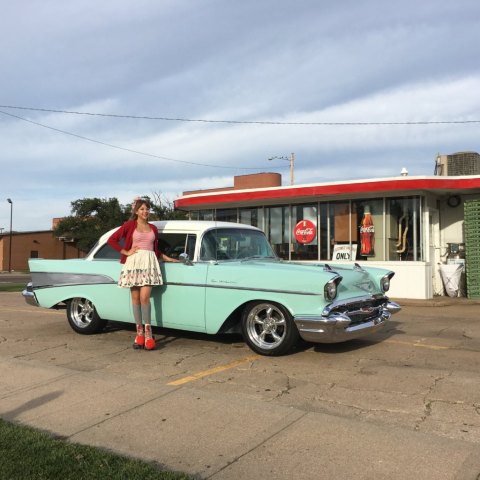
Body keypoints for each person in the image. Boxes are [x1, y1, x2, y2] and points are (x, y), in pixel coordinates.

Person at [107, 197, 178, 350]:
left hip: (149, 263)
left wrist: (166, 257)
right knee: (135, 298)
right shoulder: (130, 225)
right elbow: (112, 240)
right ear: (136, 211)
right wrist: (125, 251)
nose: (145, 212)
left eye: (147, 209)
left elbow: (154, 248)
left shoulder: (153, 228)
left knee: (145, 298)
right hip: (133, 263)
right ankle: (139, 333)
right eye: (142, 209)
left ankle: (148, 333)